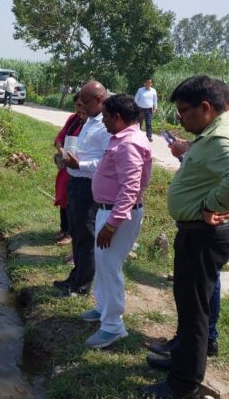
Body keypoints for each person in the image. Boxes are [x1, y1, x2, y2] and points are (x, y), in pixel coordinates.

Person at [142, 76, 229, 398]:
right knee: (192, 307)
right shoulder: (215, 132)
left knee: (194, 312)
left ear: (205, 108)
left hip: (203, 235)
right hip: (199, 233)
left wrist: (210, 204)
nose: (180, 118)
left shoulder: (220, 137)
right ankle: (183, 362)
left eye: (183, 111)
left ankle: (183, 385)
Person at [80, 93, 151, 349]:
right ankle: (103, 307)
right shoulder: (122, 138)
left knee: (110, 266)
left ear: (118, 117)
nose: (104, 121)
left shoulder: (129, 143)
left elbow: (130, 189)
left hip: (117, 214)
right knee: (103, 262)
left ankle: (113, 327)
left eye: (107, 116)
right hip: (108, 210)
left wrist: (112, 224)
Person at [53, 81, 112, 297]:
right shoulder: (90, 120)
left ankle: (82, 285)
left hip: (89, 186)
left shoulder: (106, 125)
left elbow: (107, 161)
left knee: (86, 236)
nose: (81, 107)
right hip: (75, 182)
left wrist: (81, 165)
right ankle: (75, 276)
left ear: (99, 99)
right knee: (77, 233)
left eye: (84, 102)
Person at [53, 96, 86, 246]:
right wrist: (61, 150)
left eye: (82, 105)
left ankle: (71, 233)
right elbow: (59, 138)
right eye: (77, 105)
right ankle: (64, 228)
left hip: (80, 166)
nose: (80, 109)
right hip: (67, 164)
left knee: (73, 200)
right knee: (63, 196)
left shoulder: (92, 123)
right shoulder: (73, 119)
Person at [134, 78, 158, 142]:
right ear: (145, 83)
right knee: (139, 123)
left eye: (149, 82)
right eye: (147, 82)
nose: (148, 84)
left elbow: (155, 100)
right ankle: (136, 136)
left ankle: (149, 136)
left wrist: (155, 108)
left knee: (148, 123)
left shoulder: (153, 91)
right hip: (140, 109)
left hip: (149, 110)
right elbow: (136, 99)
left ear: (151, 84)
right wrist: (135, 107)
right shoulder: (140, 90)